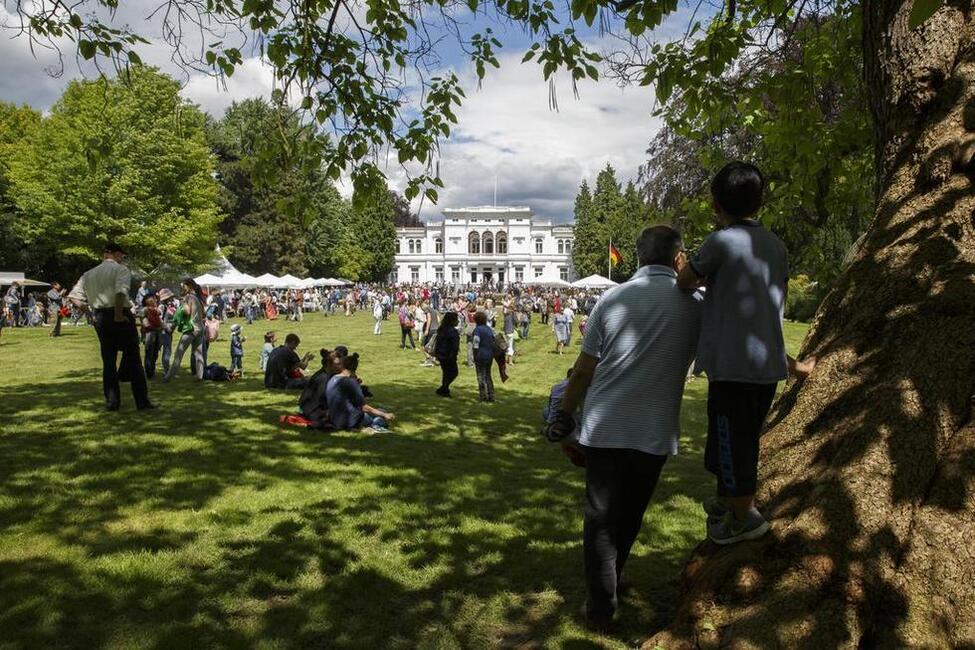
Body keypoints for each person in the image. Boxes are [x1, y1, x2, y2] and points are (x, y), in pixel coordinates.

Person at [548, 225, 703, 629]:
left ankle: (601, 602)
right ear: (678, 258)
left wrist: (563, 414)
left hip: (606, 426)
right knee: (630, 513)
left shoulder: (612, 298)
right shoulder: (696, 303)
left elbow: (582, 371)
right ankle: (610, 582)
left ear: (637, 257)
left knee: (601, 517)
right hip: (654, 430)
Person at [677, 161, 815, 545]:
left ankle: (745, 517)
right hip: (766, 366)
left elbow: (685, 281)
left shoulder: (720, 241)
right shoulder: (776, 245)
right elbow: (767, 311)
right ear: (758, 203)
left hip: (733, 367)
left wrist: (690, 268)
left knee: (730, 440)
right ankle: (727, 503)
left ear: (716, 204)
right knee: (743, 439)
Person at [72, 242, 154, 411]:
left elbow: (74, 297)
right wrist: (118, 314)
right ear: (113, 254)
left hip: (101, 316)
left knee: (108, 361)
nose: (122, 258)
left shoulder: (88, 274)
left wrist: (90, 314)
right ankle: (142, 402)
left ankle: (112, 402)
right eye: (121, 255)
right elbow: (120, 292)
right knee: (134, 358)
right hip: (120, 313)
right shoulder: (120, 270)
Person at [326, 353, 395, 432]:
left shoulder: (333, 378)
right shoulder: (350, 382)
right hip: (349, 420)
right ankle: (374, 426)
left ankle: (373, 425)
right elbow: (364, 407)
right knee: (381, 415)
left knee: (380, 411)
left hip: (334, 418)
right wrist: (385, 415)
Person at [162, 278, 206, 383]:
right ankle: (199, 376)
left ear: (188, 286)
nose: (182, 288)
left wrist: (182, 304)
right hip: (200, 328)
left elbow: (187, 311)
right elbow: (203, 314)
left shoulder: (188, 297)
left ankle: (168, 377)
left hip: (190, 329)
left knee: (179, 353)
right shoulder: (198, 298)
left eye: (183, 286)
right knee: (198, 354)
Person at [471, 311, 496, 403]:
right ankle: (491, 395)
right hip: (489, 355)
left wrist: (474, 355)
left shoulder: (478, 330)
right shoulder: (489, 329)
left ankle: (483, 396)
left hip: (480, 355)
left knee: (480, 376)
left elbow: (476, 343)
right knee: (488, 375)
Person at [434, 311, 460, 397]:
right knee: (454, 372)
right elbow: (455, 346)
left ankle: (445, 390)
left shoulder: (441, 329)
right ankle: (443, 388)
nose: (458, 321)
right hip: (449, 355)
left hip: (441, 354)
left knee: (446, 373)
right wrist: (454, 355)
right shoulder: (453, 332)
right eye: (456, 320)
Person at [140, 295, 164, 379]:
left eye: (154, 300)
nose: (154, 301)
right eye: (151, 300)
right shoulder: (144, 310)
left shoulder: (156, 310)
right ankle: (149, 373)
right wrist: (156, 327)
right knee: (149, 353)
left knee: (155, 353)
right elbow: (146, 324)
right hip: (149, 334)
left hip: (157, 333)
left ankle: (152, 371)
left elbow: (160, 318)